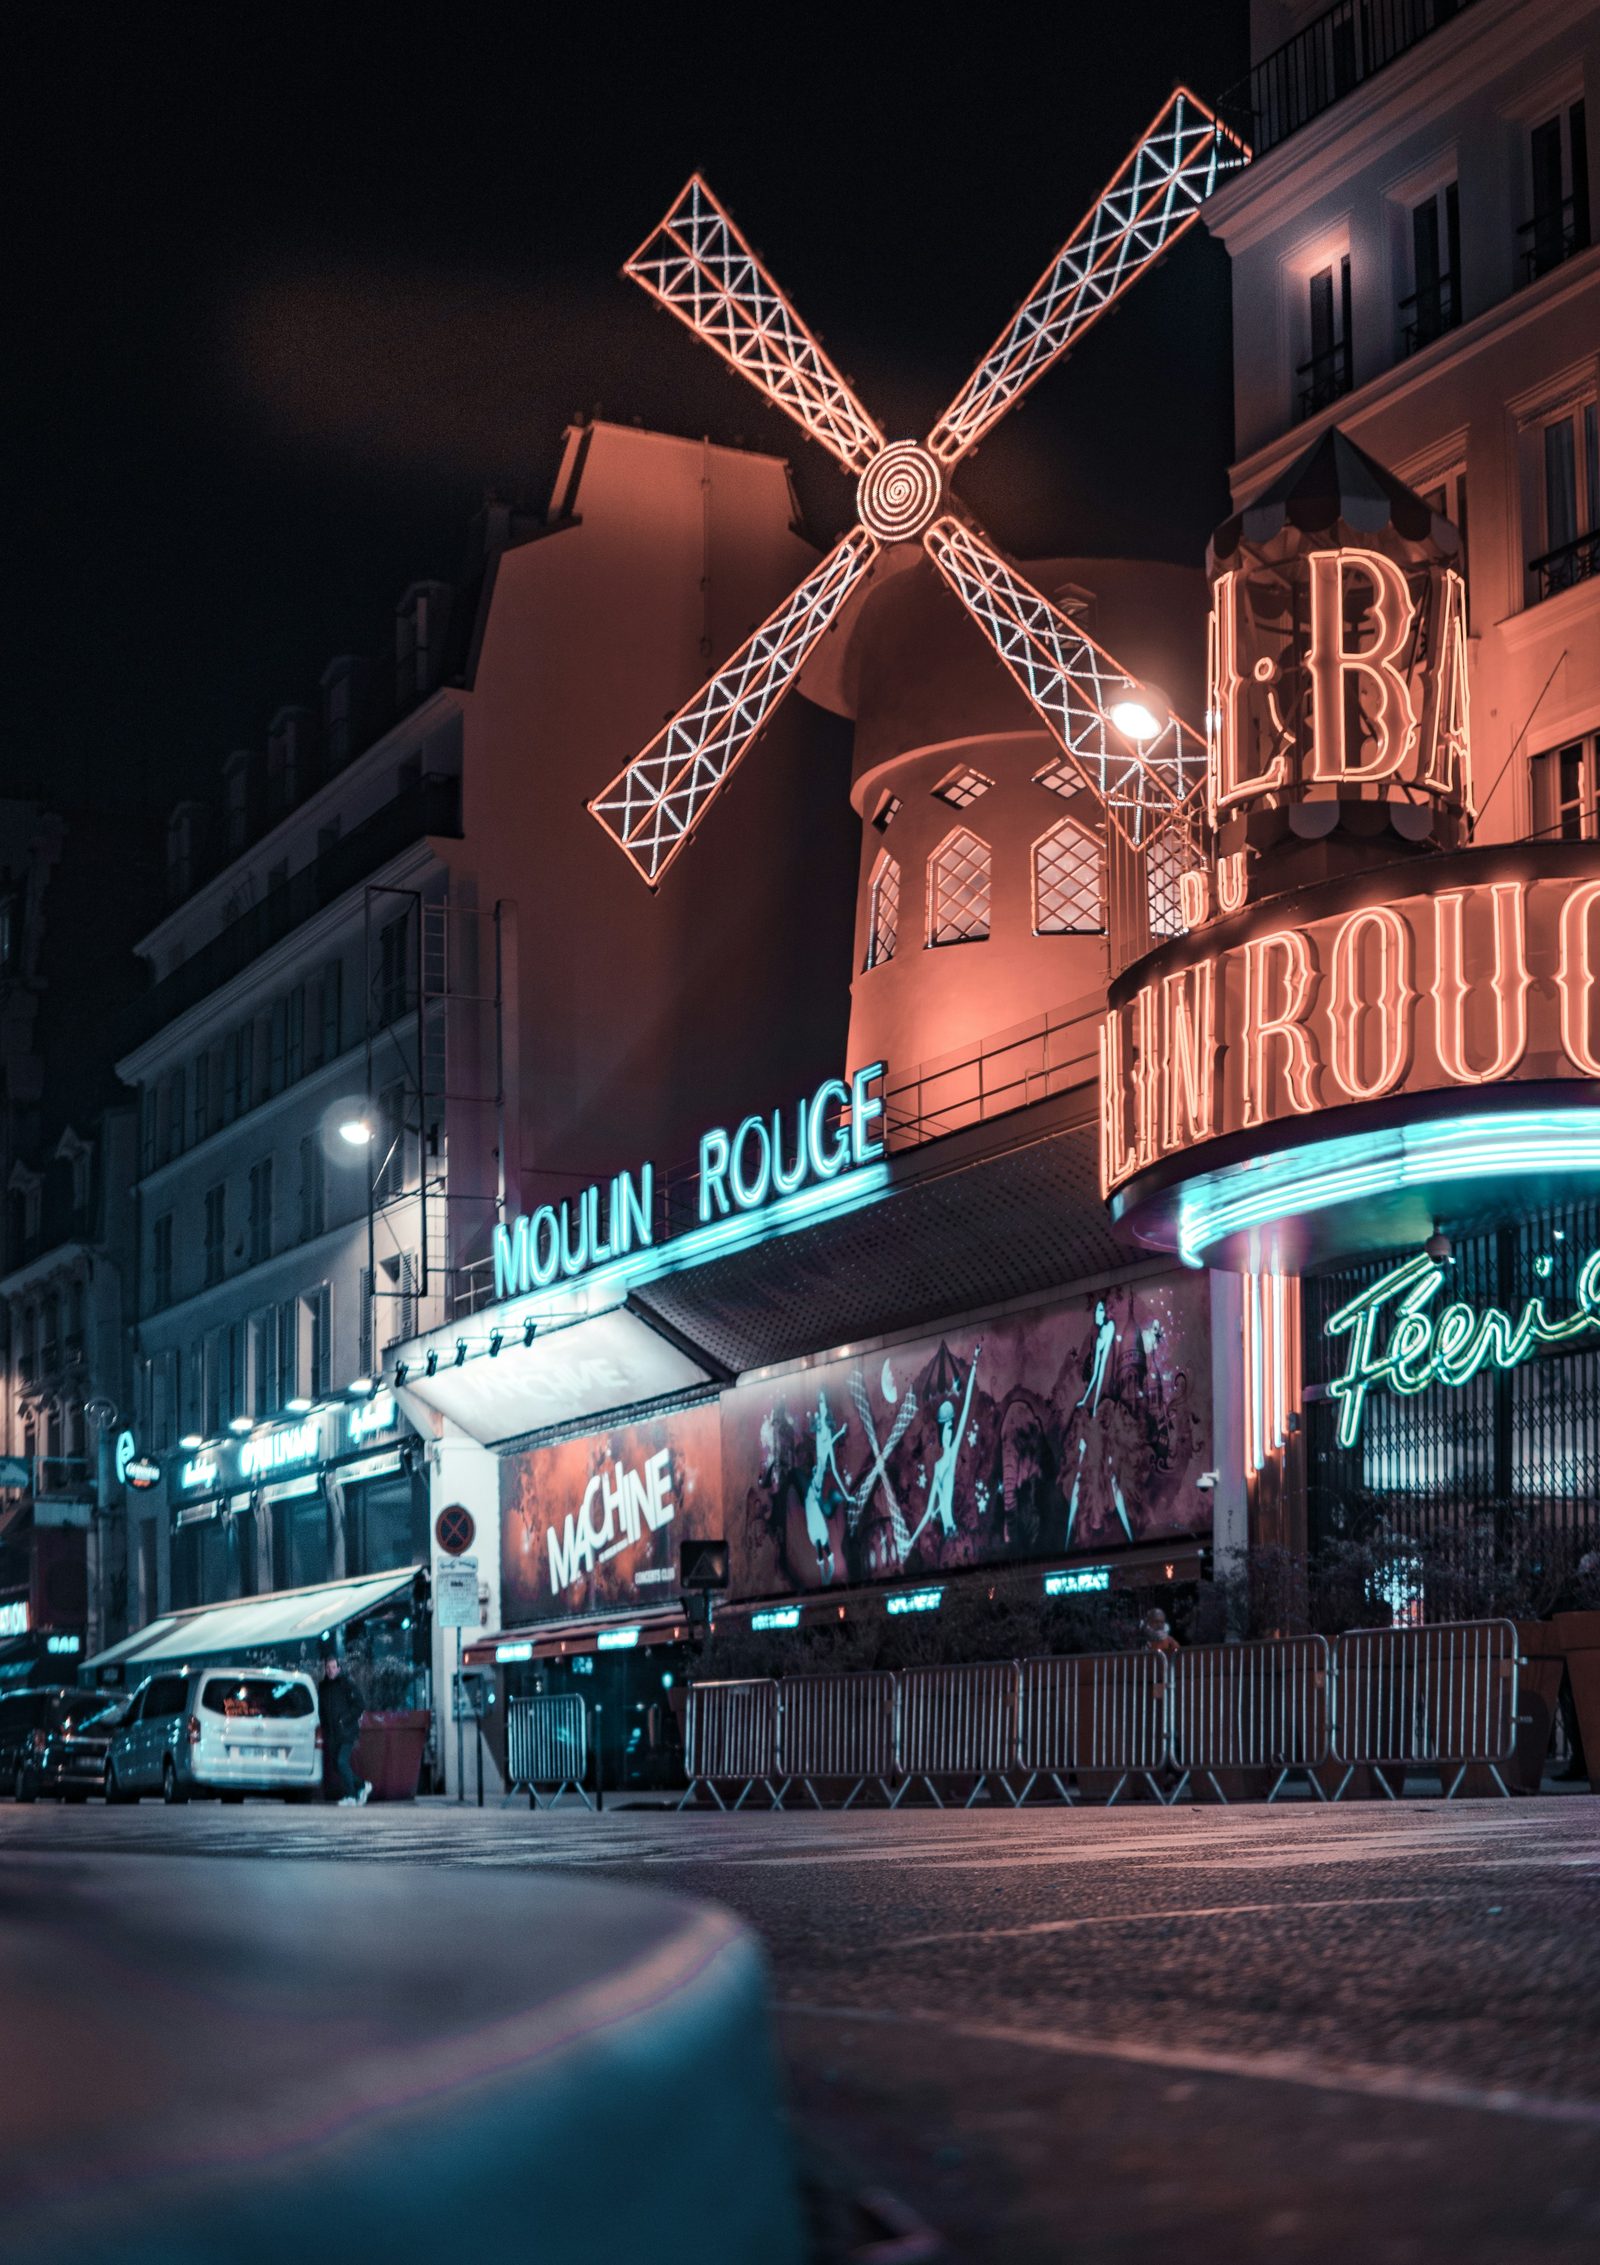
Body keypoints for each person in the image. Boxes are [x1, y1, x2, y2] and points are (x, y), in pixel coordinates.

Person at [319, 1657, 369, 1805]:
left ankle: (351, 1796)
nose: (330, 1670)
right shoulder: (323, 1687)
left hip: (347, 1731)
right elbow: (322, 1710)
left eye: (333, 1667)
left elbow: (360, 1704)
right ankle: (362, 1786)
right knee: (337, 1764)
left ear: (339, 1668)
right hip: (333, 1733)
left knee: (341, 1762)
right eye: (328, 1667)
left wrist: (345, 1720)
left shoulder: (346, 1683)